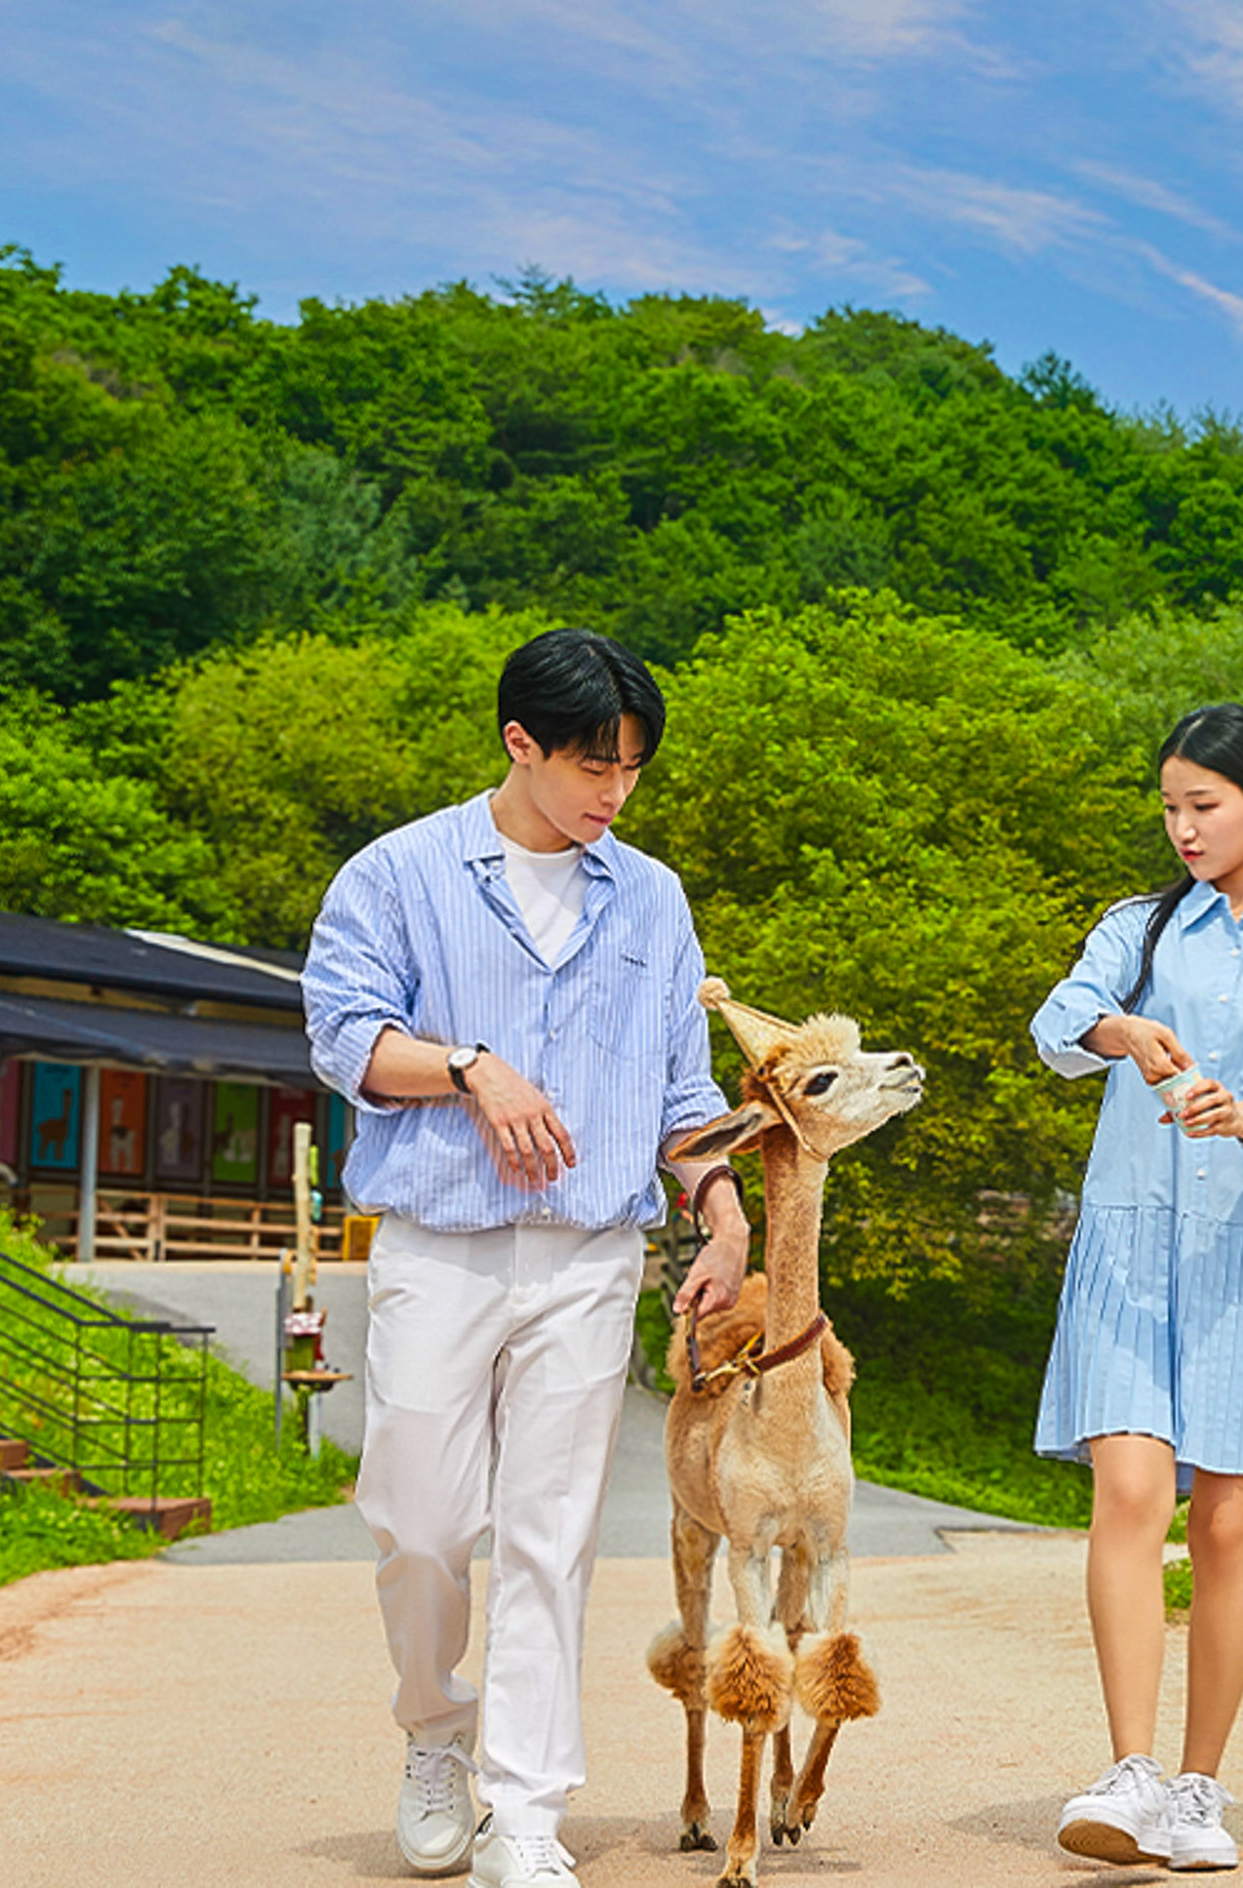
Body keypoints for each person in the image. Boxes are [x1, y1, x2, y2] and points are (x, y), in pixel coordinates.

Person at [302, 628, 752, 1888]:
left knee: (552, 1532)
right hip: (438, 1243)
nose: (615, 791)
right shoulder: (398, 875)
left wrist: (717, 1199)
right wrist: (467, 1066)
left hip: (591, 1251)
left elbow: (682, 1084)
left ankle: (528, 1806)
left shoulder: (651, 896)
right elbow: (344, 1039)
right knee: (423, 1519)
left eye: (633, 770)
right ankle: (434, 1734)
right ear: (519, 744)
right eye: (593, 765)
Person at [1027, 702, 1243, 1872]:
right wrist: (1122, 1030)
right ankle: (1127, 1772)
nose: (1183, 827)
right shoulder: (1136, 928)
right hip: (1129, 1249)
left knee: (1232, 1522)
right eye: (1171, 805)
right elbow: (1057, 1024)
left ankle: (1196, 1789)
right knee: (1130, 1491)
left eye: (1205, 805)